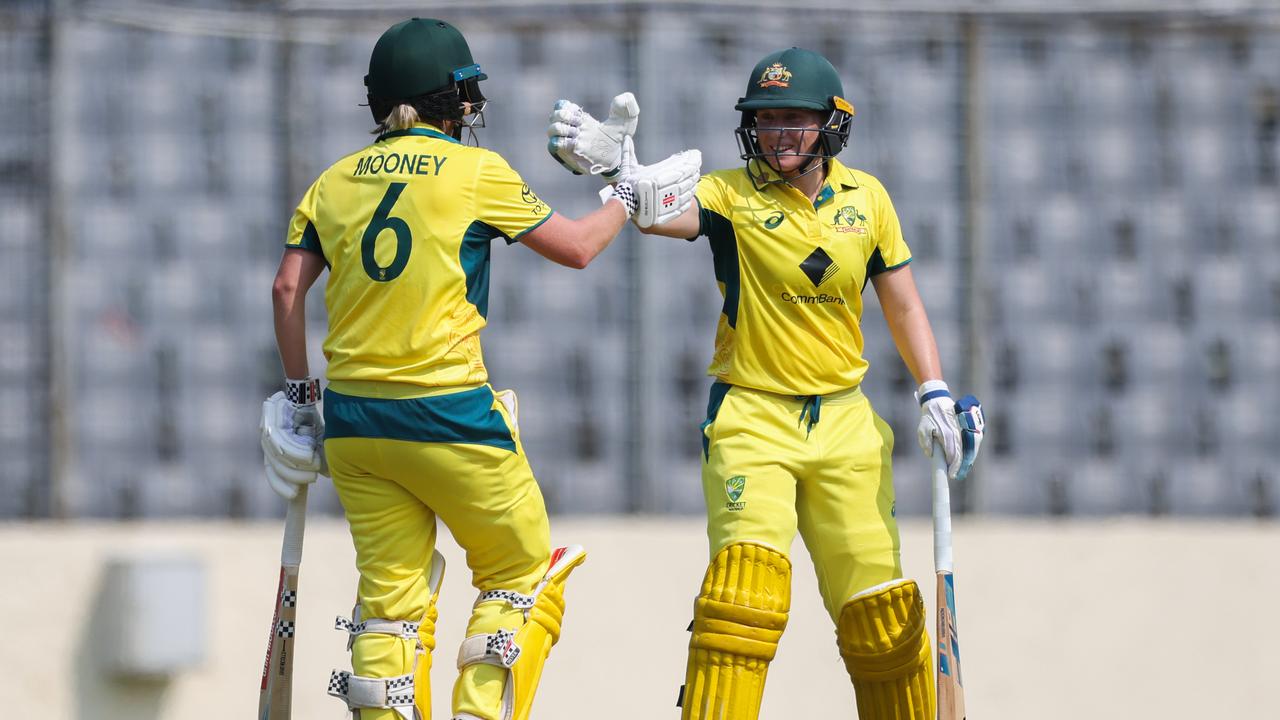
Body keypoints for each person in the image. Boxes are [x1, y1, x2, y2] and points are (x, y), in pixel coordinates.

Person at [257, 18, 700, 720]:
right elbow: (580, 248)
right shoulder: (476, 171)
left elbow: (286, 289)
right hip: (448, 410)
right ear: (448, 100)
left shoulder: (332, 180)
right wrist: (627, 195)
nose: (472, 108)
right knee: (522, 571)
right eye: (465, 95)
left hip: (354, 423)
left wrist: (300, 396)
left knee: (389, 606)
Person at [547, 47, 983, 719]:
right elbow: (656, 212)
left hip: (845, 424)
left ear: (832, 126)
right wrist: (623, 173)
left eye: (794, 120)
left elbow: (904, 303)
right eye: (767, 119)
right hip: (751, 417)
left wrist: (933, 390)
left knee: (884, 622)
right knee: (743, 598)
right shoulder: (728, 193)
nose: (777, 134)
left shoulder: (869, 199)